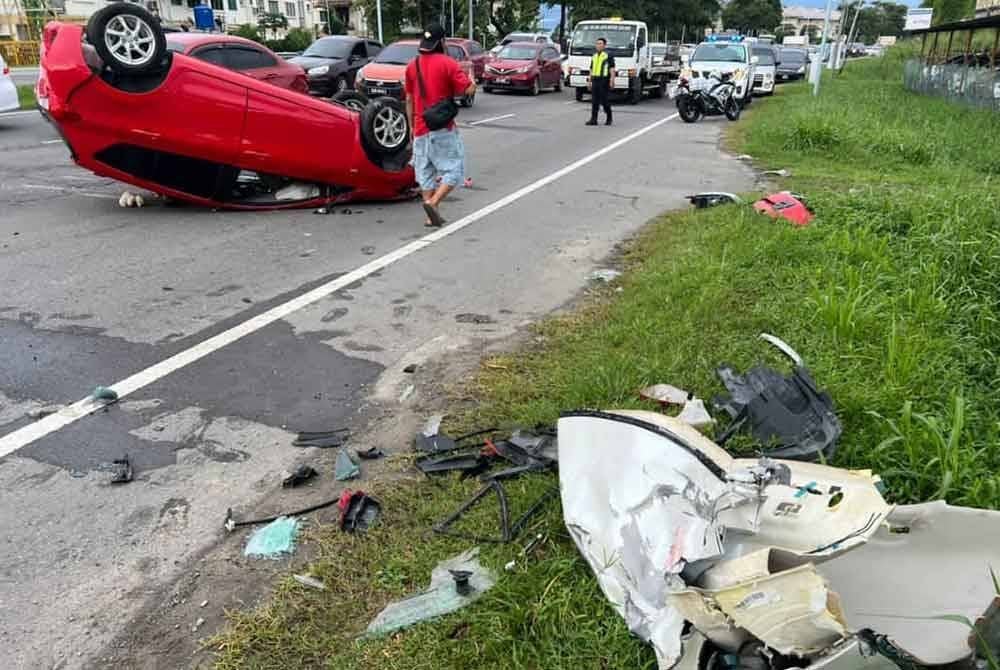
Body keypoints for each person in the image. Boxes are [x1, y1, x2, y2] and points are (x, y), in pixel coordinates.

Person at [404, 23, 476, 227]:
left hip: (420, 127)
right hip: (443, 128)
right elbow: (466, 90)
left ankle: (431, 215)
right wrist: (473, 83)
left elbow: (408, 99)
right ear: (442, 42)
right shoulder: (448, 63)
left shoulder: (412, 66)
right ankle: (433, 202)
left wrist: (411, 126)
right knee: (455, 170)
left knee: (425, 173)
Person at [586, 37, 614, 126]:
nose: (598, 45)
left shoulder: (608, 55)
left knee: (604, 101)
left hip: (604, 80)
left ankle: (609, 117)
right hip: (595, 79)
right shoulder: (594, 56)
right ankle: (593, 119)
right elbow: (591, 69)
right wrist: (589, 81)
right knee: (594, 101)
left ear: (604, 45)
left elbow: (612, 69)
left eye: (600, 43)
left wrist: (612, 80)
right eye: (597, 43)